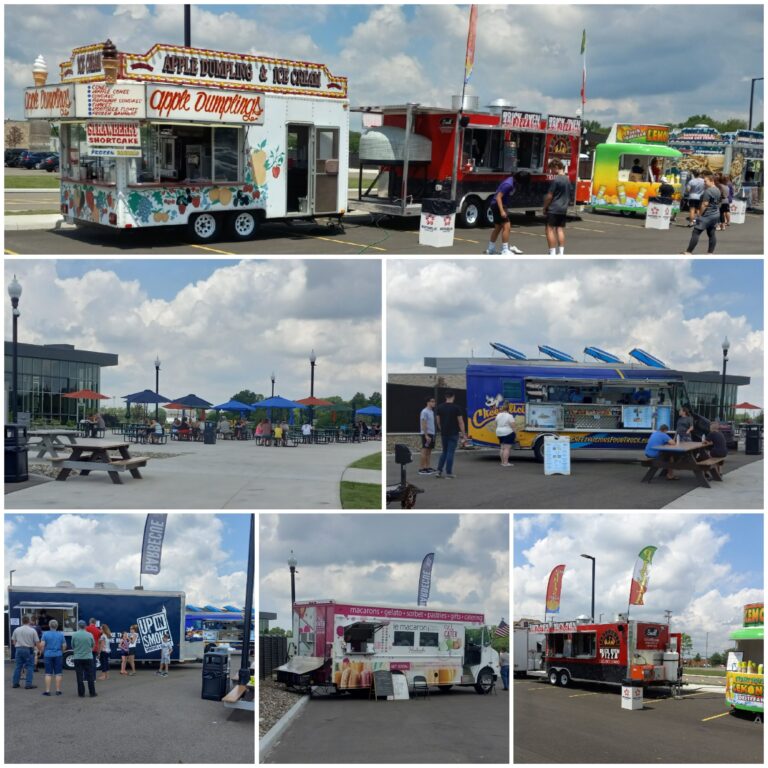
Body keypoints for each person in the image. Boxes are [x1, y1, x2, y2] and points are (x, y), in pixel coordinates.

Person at [682, 171, 721, 254]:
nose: (704, 183)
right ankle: (710, 252)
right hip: (715, 214)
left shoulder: (708, 191)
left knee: (696, 232)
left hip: (707, 215)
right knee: (711, 233)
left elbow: (704, 204)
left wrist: (700, 215)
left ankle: (689, 252)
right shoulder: (718, 190)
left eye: (705, 181)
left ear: (711, 181)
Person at [485, 175, 524, 255]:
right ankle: (505, 250)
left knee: (498, 227)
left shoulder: (511, 180)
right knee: (507, 227)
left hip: (495, 205)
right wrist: (502, 211)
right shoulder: (509, 184)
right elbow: (498, 197)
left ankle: (490, 249)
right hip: (498, 205)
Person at [542, 159, 570, 256]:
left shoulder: (556, 180)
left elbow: (549, 196)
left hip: (554, 208)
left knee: (549, 229)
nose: (552, 171)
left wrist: (545, 207)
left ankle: (552, 252)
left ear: (556, 167)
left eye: (552, 169)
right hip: (563, 208)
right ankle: (561, 253)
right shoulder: (567, 179)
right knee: (560, 229)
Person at [435, 391, 466, 479]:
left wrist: (442, 429)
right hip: (453, 433)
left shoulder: (439, 407)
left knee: (444, 451)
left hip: (444, 433)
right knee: (450, 453)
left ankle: (439, 471)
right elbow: (460, 422)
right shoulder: (457, 408)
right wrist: (463, 434)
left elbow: (438, 421)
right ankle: (449, 473)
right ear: (453, 397)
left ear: (445, 397)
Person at [11, 615, 40, 690]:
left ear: (22, 621)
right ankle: (28, 684)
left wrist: (18, 646)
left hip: (18, 649)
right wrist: (39, 650)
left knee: (18, 666)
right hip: (28, 649)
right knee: (30, 667)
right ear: (29, 621)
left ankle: (15, 683)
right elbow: (37, 642)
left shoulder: (16, 629)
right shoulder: (32, 630)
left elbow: (13, 641)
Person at [39, 618, 66, 696]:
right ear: (57, 626)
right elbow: (64, 645)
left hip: (48, 655)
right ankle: (58, 690)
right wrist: (61, 651)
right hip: (58, 655)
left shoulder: (45, 634)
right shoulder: (60, 634)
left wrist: (43, 652)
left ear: (49, 626)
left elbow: (42, 645)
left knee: (48, 673)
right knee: (58, 673)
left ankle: (47, 691)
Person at [72, 620, 97, 698]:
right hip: (88, 657)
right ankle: (92, 693)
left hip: (78, 657)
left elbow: (73, 646)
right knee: (90, 675)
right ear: (85, 626)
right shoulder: (89, 635)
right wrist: (89, 650)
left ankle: (81, 693)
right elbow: (93, 645)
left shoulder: (74, 635)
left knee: (79, 676)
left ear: (78, 626)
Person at [418, 396, 437, 475]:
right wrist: (426, 435)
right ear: (428, 402)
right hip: (426, 434)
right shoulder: (424, 411)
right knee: (424, 451)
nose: (434, 403)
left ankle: (427, 467)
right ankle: (422, 468)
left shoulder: (431, 411)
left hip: (431, 433)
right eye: (432, 401)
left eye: (434, 401)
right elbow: (423, 423)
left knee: (429, 451)